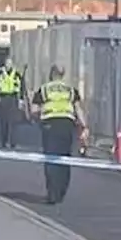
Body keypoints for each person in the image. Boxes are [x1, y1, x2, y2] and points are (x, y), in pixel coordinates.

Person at [29, 65, 87, 204]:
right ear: (62, 75)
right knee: (65, 158)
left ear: (51, 74)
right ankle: (61, 190)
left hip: (50, 125)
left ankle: (52, 193)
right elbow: (78, 109)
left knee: (50, 158)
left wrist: (37, 120)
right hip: (67, 125)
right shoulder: (70, 90)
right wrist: (84, 126)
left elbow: (34, 110)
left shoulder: (44, 90)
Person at [0, 58, 23, 148]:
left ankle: (13, 142)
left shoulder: (17, 74)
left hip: (13, 98)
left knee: (14, 122)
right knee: (3, 121)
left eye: (10, 63)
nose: (8, 65)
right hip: (3, 98)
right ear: (5, 64)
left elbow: (22, 87)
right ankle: (3, 141)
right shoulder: (0, 74)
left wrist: (21, 99)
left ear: (12, 64)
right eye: (7, 63)